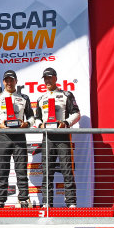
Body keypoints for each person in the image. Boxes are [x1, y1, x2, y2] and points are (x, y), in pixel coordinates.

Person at [0, 70, 35, 208]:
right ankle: (1, 200)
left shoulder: (23, 98)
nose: (9, 82)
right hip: (3, 137)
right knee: (3, 170)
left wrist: (27, 124)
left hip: (19, 136)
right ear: (3, 82)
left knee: (21, 169)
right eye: (6, 80)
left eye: (11, 80)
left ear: (16, 81)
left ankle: (24, 199)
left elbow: (31, 117)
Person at [34, 67, 80, 208]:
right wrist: (40, 125)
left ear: (55, 78)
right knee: (47, 170)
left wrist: (65, 123)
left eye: (50, 77)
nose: (48, 80)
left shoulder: (66, 94)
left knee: (66, 169)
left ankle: (71, 203)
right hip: (47, 137)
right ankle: (47, 202)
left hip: (62, 136)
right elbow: (37, 118)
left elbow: (76, 113)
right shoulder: (41, 98)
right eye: (45, 78)